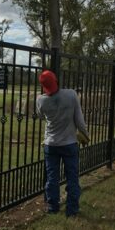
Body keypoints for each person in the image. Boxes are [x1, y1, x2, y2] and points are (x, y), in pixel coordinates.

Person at [36, 70, 89, 217]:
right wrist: (85, 135)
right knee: (72, 177)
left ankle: (53, 207)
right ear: (56, 80)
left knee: (52, 177)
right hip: (69, 143)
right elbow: (79, 120)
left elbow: (41, 116)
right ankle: (72, 210)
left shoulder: (40, 100)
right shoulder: (71, 94)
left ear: (43, 86)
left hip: (50, 144)